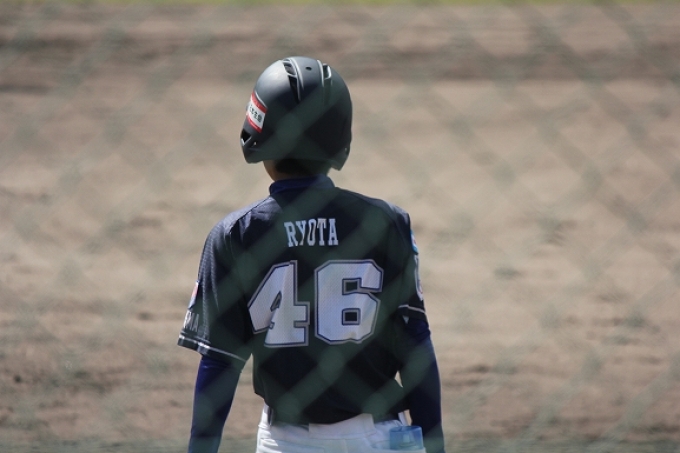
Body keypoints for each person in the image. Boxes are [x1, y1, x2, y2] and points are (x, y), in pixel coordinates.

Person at [177, 56, 445, 453]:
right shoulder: (384, 223)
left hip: (286, 442)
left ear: (258, 129)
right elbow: (416, 347)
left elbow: (220, 363)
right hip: (377, 439)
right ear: (340, 139)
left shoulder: (237, 235)